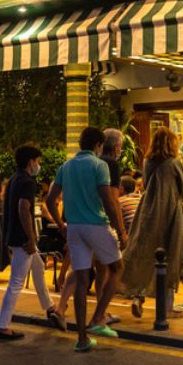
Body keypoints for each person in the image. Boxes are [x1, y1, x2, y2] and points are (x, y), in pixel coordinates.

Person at [46, 127, 127, 351]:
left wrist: (61, 224)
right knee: (117, 267)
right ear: (98, 145)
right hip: (96, 224)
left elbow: (50, 200)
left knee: (82, 279)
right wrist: (120, 231)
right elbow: (108, 201)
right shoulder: (99, 165)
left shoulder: (66, 166)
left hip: (74, 227)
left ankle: (82, 338)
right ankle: (98, 317)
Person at [120, 128, 183, 320]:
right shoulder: (174, 163)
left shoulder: (147, 161)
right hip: (170, 212)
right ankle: (167, 308)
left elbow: (146, 183)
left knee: (145, 253)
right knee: (171, 254)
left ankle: (138, 296)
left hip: (148, 211)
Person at [0, 146, 63, 340]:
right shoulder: (27, 182)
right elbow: (23, 208)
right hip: (22, 239)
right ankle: (2, 326)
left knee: (38, 267)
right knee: (16, 282)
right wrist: (31, 239)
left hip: (13, 235)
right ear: (30, 162)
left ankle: (50, 307)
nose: (38, 165)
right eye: (37, 161)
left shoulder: (13, 179)